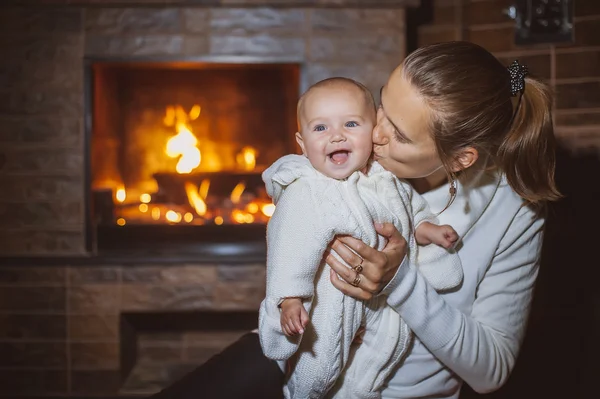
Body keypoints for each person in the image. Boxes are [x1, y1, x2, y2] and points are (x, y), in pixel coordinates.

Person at [149, 41, 560, 399]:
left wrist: (399, 283)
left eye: (399, 134)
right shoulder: (351, 156)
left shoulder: (514, 214)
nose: (373, 130)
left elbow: (492, 371)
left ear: (460, 158)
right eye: (382, 102)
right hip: (298, 359)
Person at [259, 77, 463, 399]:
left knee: (386, 349)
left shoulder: (383, 179)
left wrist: (428, 229)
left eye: (351, 124)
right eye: (320, 128)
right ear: (301, 143)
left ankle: (363, 391)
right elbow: (288, 246)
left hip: (383, 303)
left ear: (373, 132)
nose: (336, 135)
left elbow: (409, 209)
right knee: (319, 364)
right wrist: (289, 299)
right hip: (331, 304)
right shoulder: (306, 191)